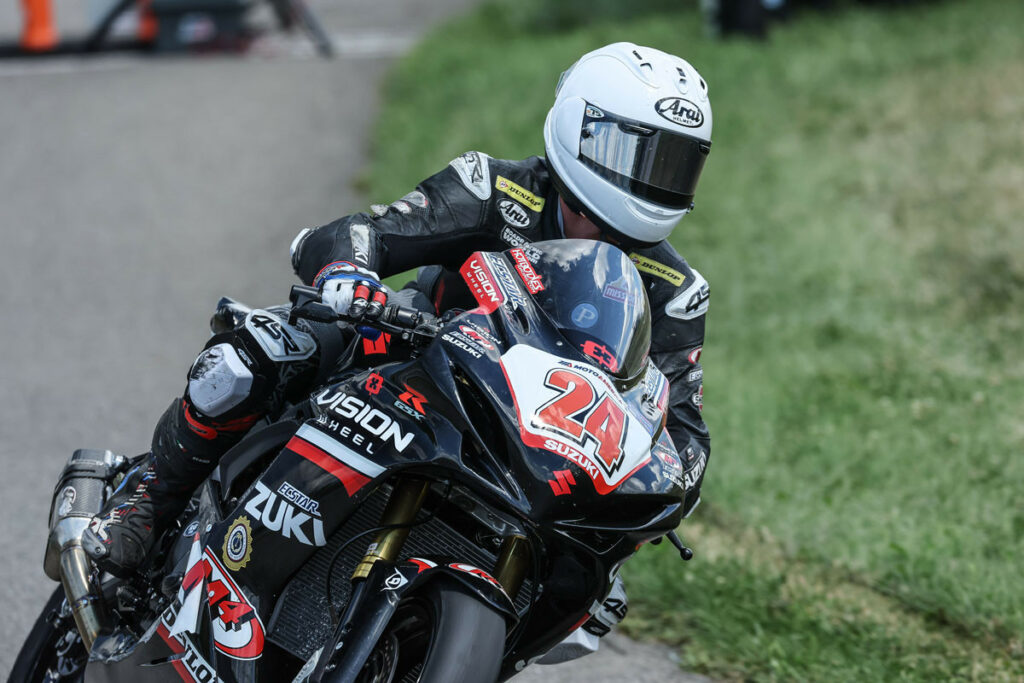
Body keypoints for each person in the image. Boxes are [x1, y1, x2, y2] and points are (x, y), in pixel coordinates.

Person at [83, 43, 714, 598]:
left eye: (675, 166)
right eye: (639, 156)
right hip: (413, 362)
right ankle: (152, 498)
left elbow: (683, 427)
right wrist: (349, 275)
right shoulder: (495, 188)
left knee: (595, 589)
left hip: (532, 450)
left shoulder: (677, 290)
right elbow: (365, 232)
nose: (653, 183)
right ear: (581, 130)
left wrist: (669, 480)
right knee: (256, 356)